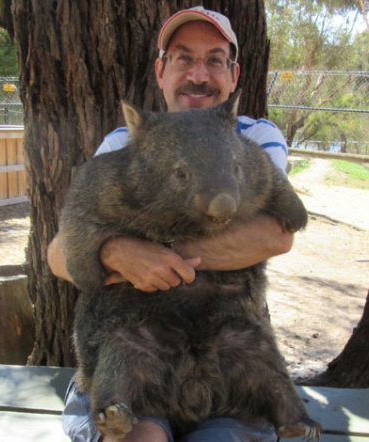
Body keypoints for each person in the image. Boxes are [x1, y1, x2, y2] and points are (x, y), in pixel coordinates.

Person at [48, 6, 294, 442]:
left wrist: (156, 257)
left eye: (215, 60)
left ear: (233, 77)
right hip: (139, 344)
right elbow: (58, 254)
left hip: (225, 347)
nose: (199, 74)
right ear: (161, 72)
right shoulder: (126, 142)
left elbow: (272, 234)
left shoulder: (253, 136)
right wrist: (113, 252)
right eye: (184, 58)